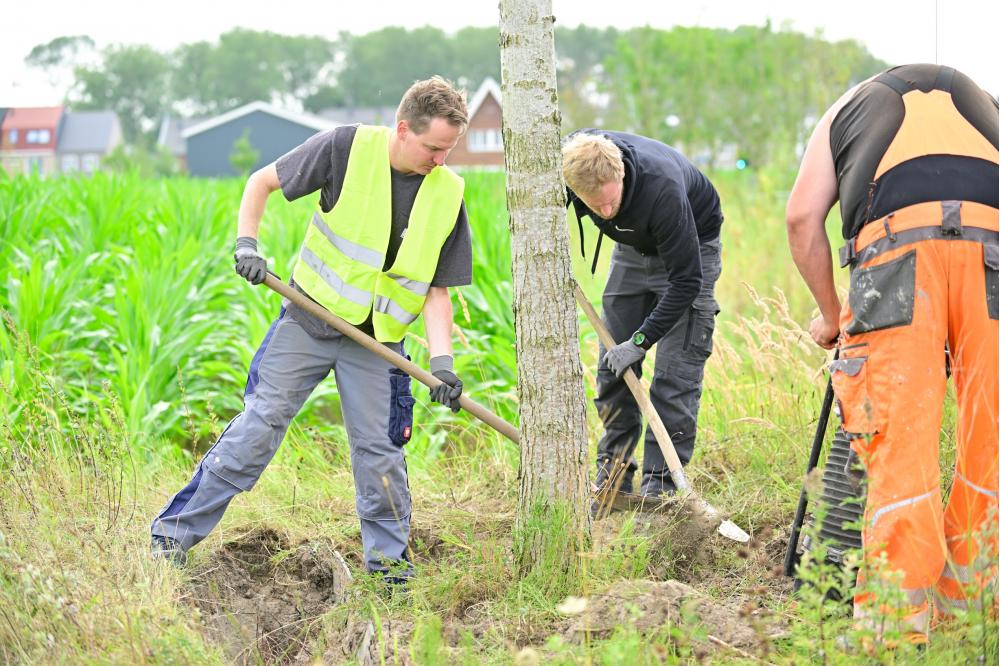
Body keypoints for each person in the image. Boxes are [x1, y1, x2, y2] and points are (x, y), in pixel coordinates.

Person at [150, 76, 473, 583]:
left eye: (448, 150)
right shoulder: (346, 148)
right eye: (433, 148)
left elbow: (436, 289)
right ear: (403, 127)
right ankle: (170, 540)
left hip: (379, 343)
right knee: (259, 427)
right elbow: (262, 182)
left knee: (380, 455)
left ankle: (389, 574)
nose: (440, 160)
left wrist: (442, 364)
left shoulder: (449, 192)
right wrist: (247, 245)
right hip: (310, 319)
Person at [785, 63, 998, 643]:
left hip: (896, 260)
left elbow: (802, 217)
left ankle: (894, 632)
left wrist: (833, 317)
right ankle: (972, 618)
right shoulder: (988, 106)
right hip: (994, 259)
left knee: (901, 446)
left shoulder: (848, 108)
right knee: (992, 445)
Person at [561, 130, 724, 501]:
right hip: (632, 252)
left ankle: (660, 491)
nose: (603, 212)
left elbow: (686, 282)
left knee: (674, 377)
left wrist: (640, 341)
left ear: (620, 175)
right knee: (612, 369)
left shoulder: (661, 187)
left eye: (609, 202)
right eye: (594, 206)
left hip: (689, 249)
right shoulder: (571, 166)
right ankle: (614, 476)